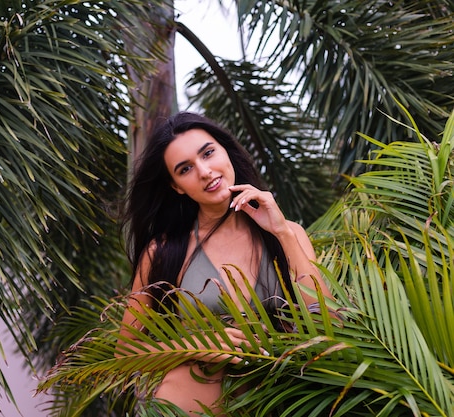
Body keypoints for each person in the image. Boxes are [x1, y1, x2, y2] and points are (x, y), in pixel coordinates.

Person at [117, 112, 334, 415]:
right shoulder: (164, 252)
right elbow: (124, 356)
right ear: (176, 186)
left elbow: (330, 325)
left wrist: (282, 231)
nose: (205, 171)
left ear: (225, 151)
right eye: (185, 169)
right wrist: (196, 345)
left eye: (208, 153)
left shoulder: (287, 235)